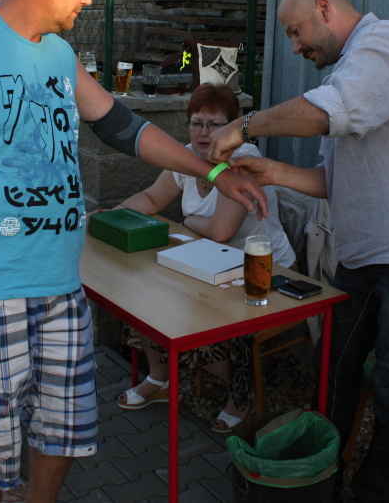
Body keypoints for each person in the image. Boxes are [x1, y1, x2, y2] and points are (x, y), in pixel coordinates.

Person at [0, 0, 267, 503]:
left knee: (63, 427)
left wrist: (212, 171)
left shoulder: (56, 52)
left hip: (60, 285)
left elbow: (121, 125)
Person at [208, 0, 389, 503]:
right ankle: (321, 477)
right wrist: (274, 172)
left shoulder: (387, 43)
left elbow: (321, 113)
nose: (294, 46)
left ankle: (371, 493)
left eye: (295, 31)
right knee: (335, 363)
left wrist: (244, 126)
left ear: (325, 8)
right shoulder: (351, 72)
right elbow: (335, 181)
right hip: (367, 254)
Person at [112, 83, 295, 433]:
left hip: (263, 274)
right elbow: (152, 198)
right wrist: (110, 215)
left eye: (215, 125)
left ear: (232, 128)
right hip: (210, 264)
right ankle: (160, 379)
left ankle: (241, 394)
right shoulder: (186, 158)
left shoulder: (242, 159)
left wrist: (191, 222)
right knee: (143, 297)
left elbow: (220, 230)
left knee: (193, 318)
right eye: (197, 123)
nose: (204, 133)